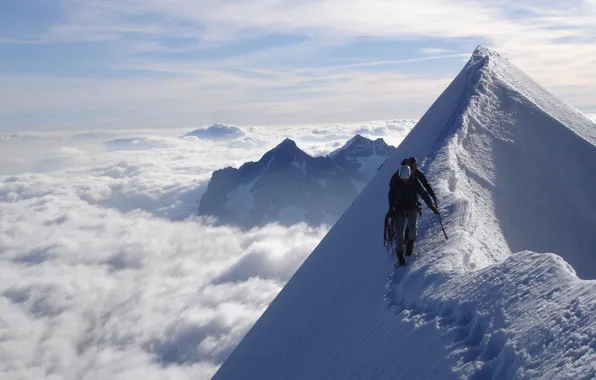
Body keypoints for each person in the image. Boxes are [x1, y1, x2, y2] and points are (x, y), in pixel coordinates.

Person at [388, 164, 439, 266]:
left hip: (412, 207)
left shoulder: (414, 181)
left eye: (406, 178)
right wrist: (392, 209)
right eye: (402, 178)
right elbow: (391, 197)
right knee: (399, 233)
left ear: (409, 175)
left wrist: (431, 206)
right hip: (400, 210)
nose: (404, 180)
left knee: (412, 228)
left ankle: (410, 243)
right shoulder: (396, 183)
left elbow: (424, 194)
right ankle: (400, 254)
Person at [401, 156, 437, 244]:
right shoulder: (404, 172)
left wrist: (432, 195)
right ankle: (404, 237)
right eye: (411, 167)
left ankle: (407, 238)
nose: (412, 169)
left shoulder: (416, 173)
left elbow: (425, 184)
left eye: (413, 167)